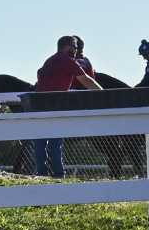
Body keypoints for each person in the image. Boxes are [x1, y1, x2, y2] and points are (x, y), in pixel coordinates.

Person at [31, 35, 101, 177]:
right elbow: (86, 81)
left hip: (39, 105)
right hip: (54, 106)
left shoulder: (50, 60)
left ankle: (42, 174)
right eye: (74, 47)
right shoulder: (66, 61)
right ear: (66, 47)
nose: (76, 50)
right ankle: (58, 174)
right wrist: (104, 94)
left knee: (40, 142)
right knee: (55, 142)